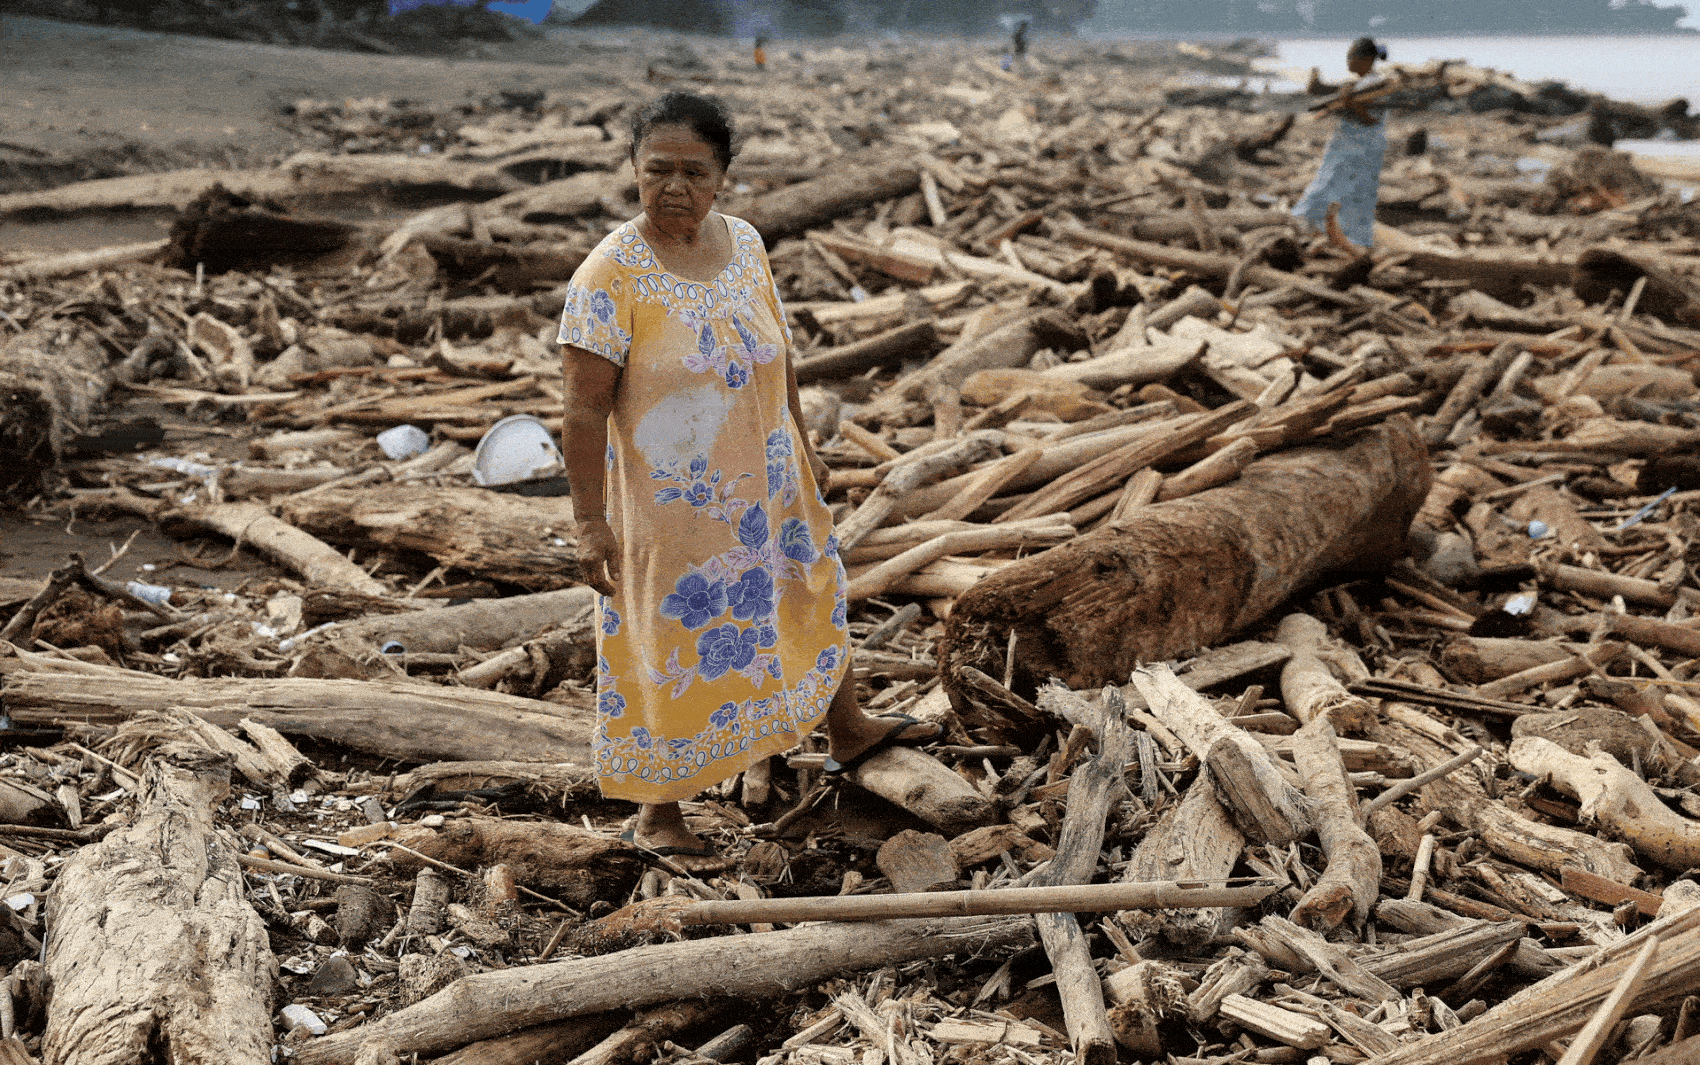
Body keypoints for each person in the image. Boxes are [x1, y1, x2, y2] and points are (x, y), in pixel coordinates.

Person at [558, 92, 942, 872]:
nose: (673, 186)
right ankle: (659, 808)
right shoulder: (608, 275)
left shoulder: (746, 247)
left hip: (768, 478)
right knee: (667, 636)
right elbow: (582, 409)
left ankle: (848, 729)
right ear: (632, 171)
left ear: (722, 178)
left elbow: (780, 357)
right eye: (656, 169)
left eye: (692, 171)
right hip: (676, 505)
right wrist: (590, 522)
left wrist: (801, 444)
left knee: (810, 587)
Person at [1292, 37, 1389, 250]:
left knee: (1347, 190)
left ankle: (1349, 238)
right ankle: (1322, 230)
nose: (1348, 62)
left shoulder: (1377, 85)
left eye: (1351, 57)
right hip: (1348, 146)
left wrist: (1349, 103)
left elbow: (1370, 119)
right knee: (1332, 186)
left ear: (1365, 60)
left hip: (1361, 148)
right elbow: (1334, 94)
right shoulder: (1358, 84)